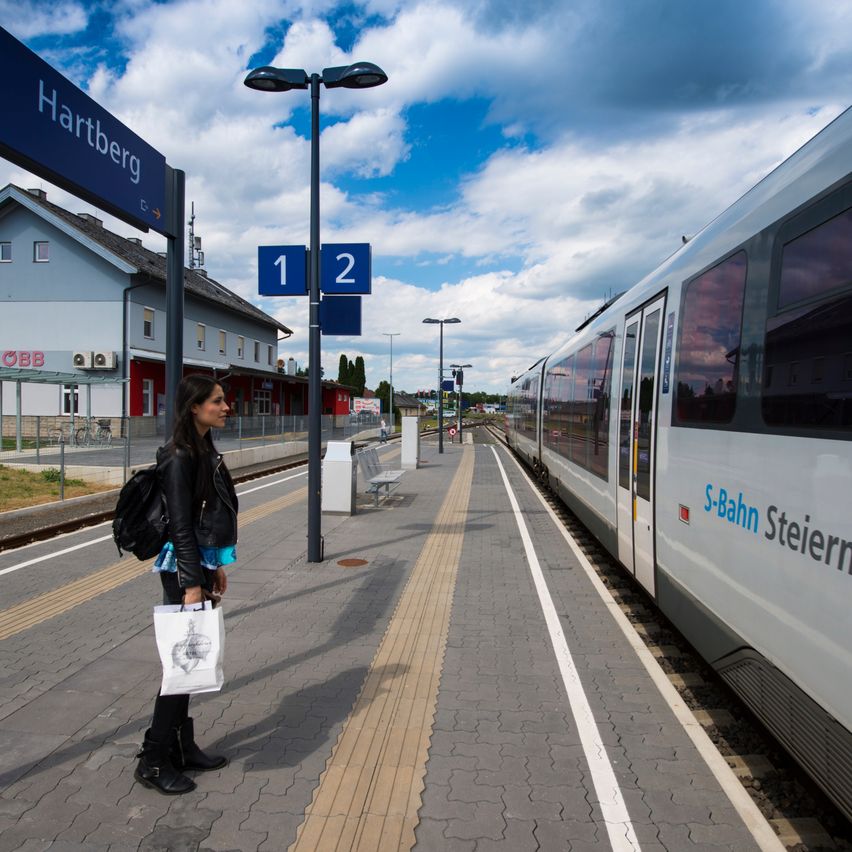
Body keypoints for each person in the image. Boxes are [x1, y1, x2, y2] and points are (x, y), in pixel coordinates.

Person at [134, 375, 238, 795]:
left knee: (190, 664)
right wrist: (193, 583)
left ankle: (182, 746)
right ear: (194, 407)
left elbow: (202, 518)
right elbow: (179, 525)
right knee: (181, 665)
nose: (226, 406)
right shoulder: (178, 456)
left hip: (196, 566)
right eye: (217, 401)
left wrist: (215, 567)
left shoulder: (201, 447)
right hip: (182, 571)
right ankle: (154, 760)